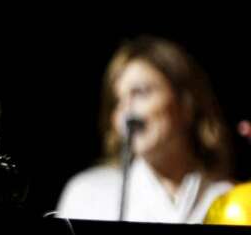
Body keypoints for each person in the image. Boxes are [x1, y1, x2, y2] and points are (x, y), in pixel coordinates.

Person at [57, 35, 234, 223]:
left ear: (186, 103)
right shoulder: (87, 194)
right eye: (117, 101)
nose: (126, 110)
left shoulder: (228, 197)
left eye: (141, 92)